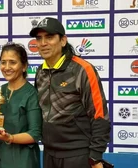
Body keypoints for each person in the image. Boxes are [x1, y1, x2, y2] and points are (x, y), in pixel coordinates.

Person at [29, 17, 111, 168]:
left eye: (49, 37)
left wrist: (95, 157)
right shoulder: (40, 71)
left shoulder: (82, 69)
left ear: (63, 40)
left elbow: (99, 115)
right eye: (39, 38)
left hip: (78, 154)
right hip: (49, 153)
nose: (43, 43)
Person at [0, 43, 42, 168]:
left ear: (24, 66)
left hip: (22, 159)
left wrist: (9, 138)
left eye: (12, 62)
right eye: (3, 62)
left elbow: (34, 134)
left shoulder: (31, 94)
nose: (7, 67)